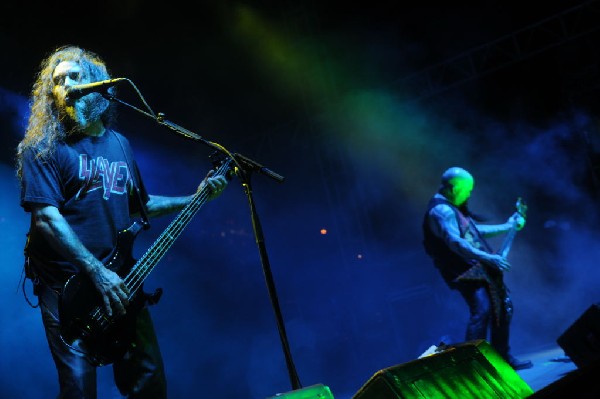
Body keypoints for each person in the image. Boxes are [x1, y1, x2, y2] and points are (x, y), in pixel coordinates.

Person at [16, 45, 229, 398]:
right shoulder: (43, 147)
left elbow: (139, 206)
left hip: (121, 277)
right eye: (58, 81)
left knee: (149, 381)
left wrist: (194, 197)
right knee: (79, 388)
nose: (66, 85)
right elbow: (46, 219)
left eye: (74, 76)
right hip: (67, 286)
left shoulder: (120, 144)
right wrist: (97, 273)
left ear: (98, 85)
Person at [422, 166, 533, 370]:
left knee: (501, 308)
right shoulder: (442, 210)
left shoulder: (453, 208)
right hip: (463, 271)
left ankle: (502, 357)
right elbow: (455, 242)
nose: (469, 194)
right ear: (455, 188)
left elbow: (474, 231)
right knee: (481, 310)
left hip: (477, 267)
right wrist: (489, 258)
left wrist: (507, 226)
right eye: (468, 190)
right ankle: (471, 365)